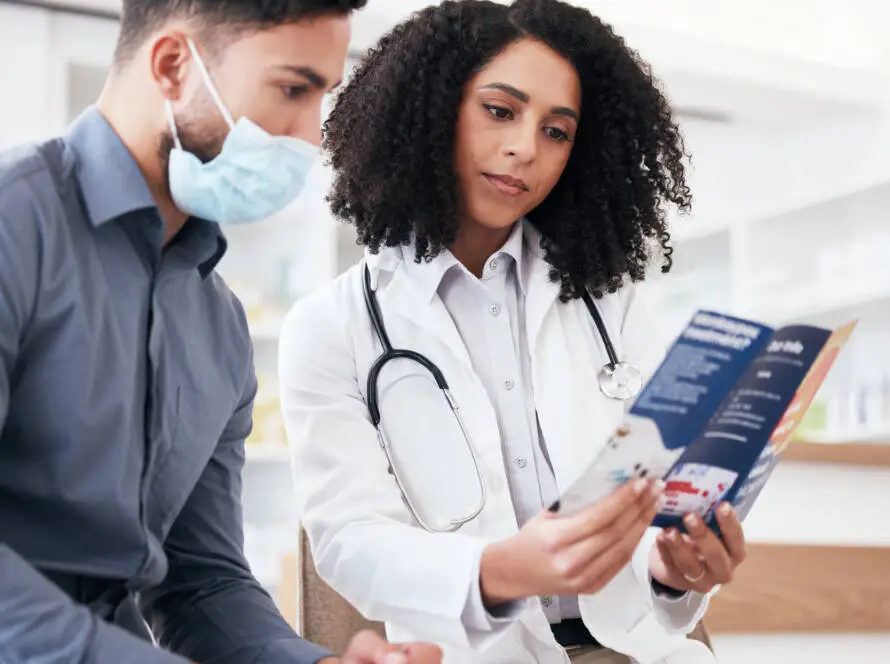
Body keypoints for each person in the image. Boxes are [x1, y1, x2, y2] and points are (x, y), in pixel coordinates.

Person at [278, 1, 749, 662]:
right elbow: (351, 540)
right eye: (500, 111)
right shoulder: (332, 327)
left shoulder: (610, 305)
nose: (526, 148)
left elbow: (652, 501)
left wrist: (675, 571)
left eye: (557, 131)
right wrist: (503, 570)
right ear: (434, 110)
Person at [0, 1, 442, 663]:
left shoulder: (218, 326)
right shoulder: (16, 227)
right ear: (174, 65)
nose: (312, 135)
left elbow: (199, 582)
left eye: (323, 96)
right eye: (293, 90)